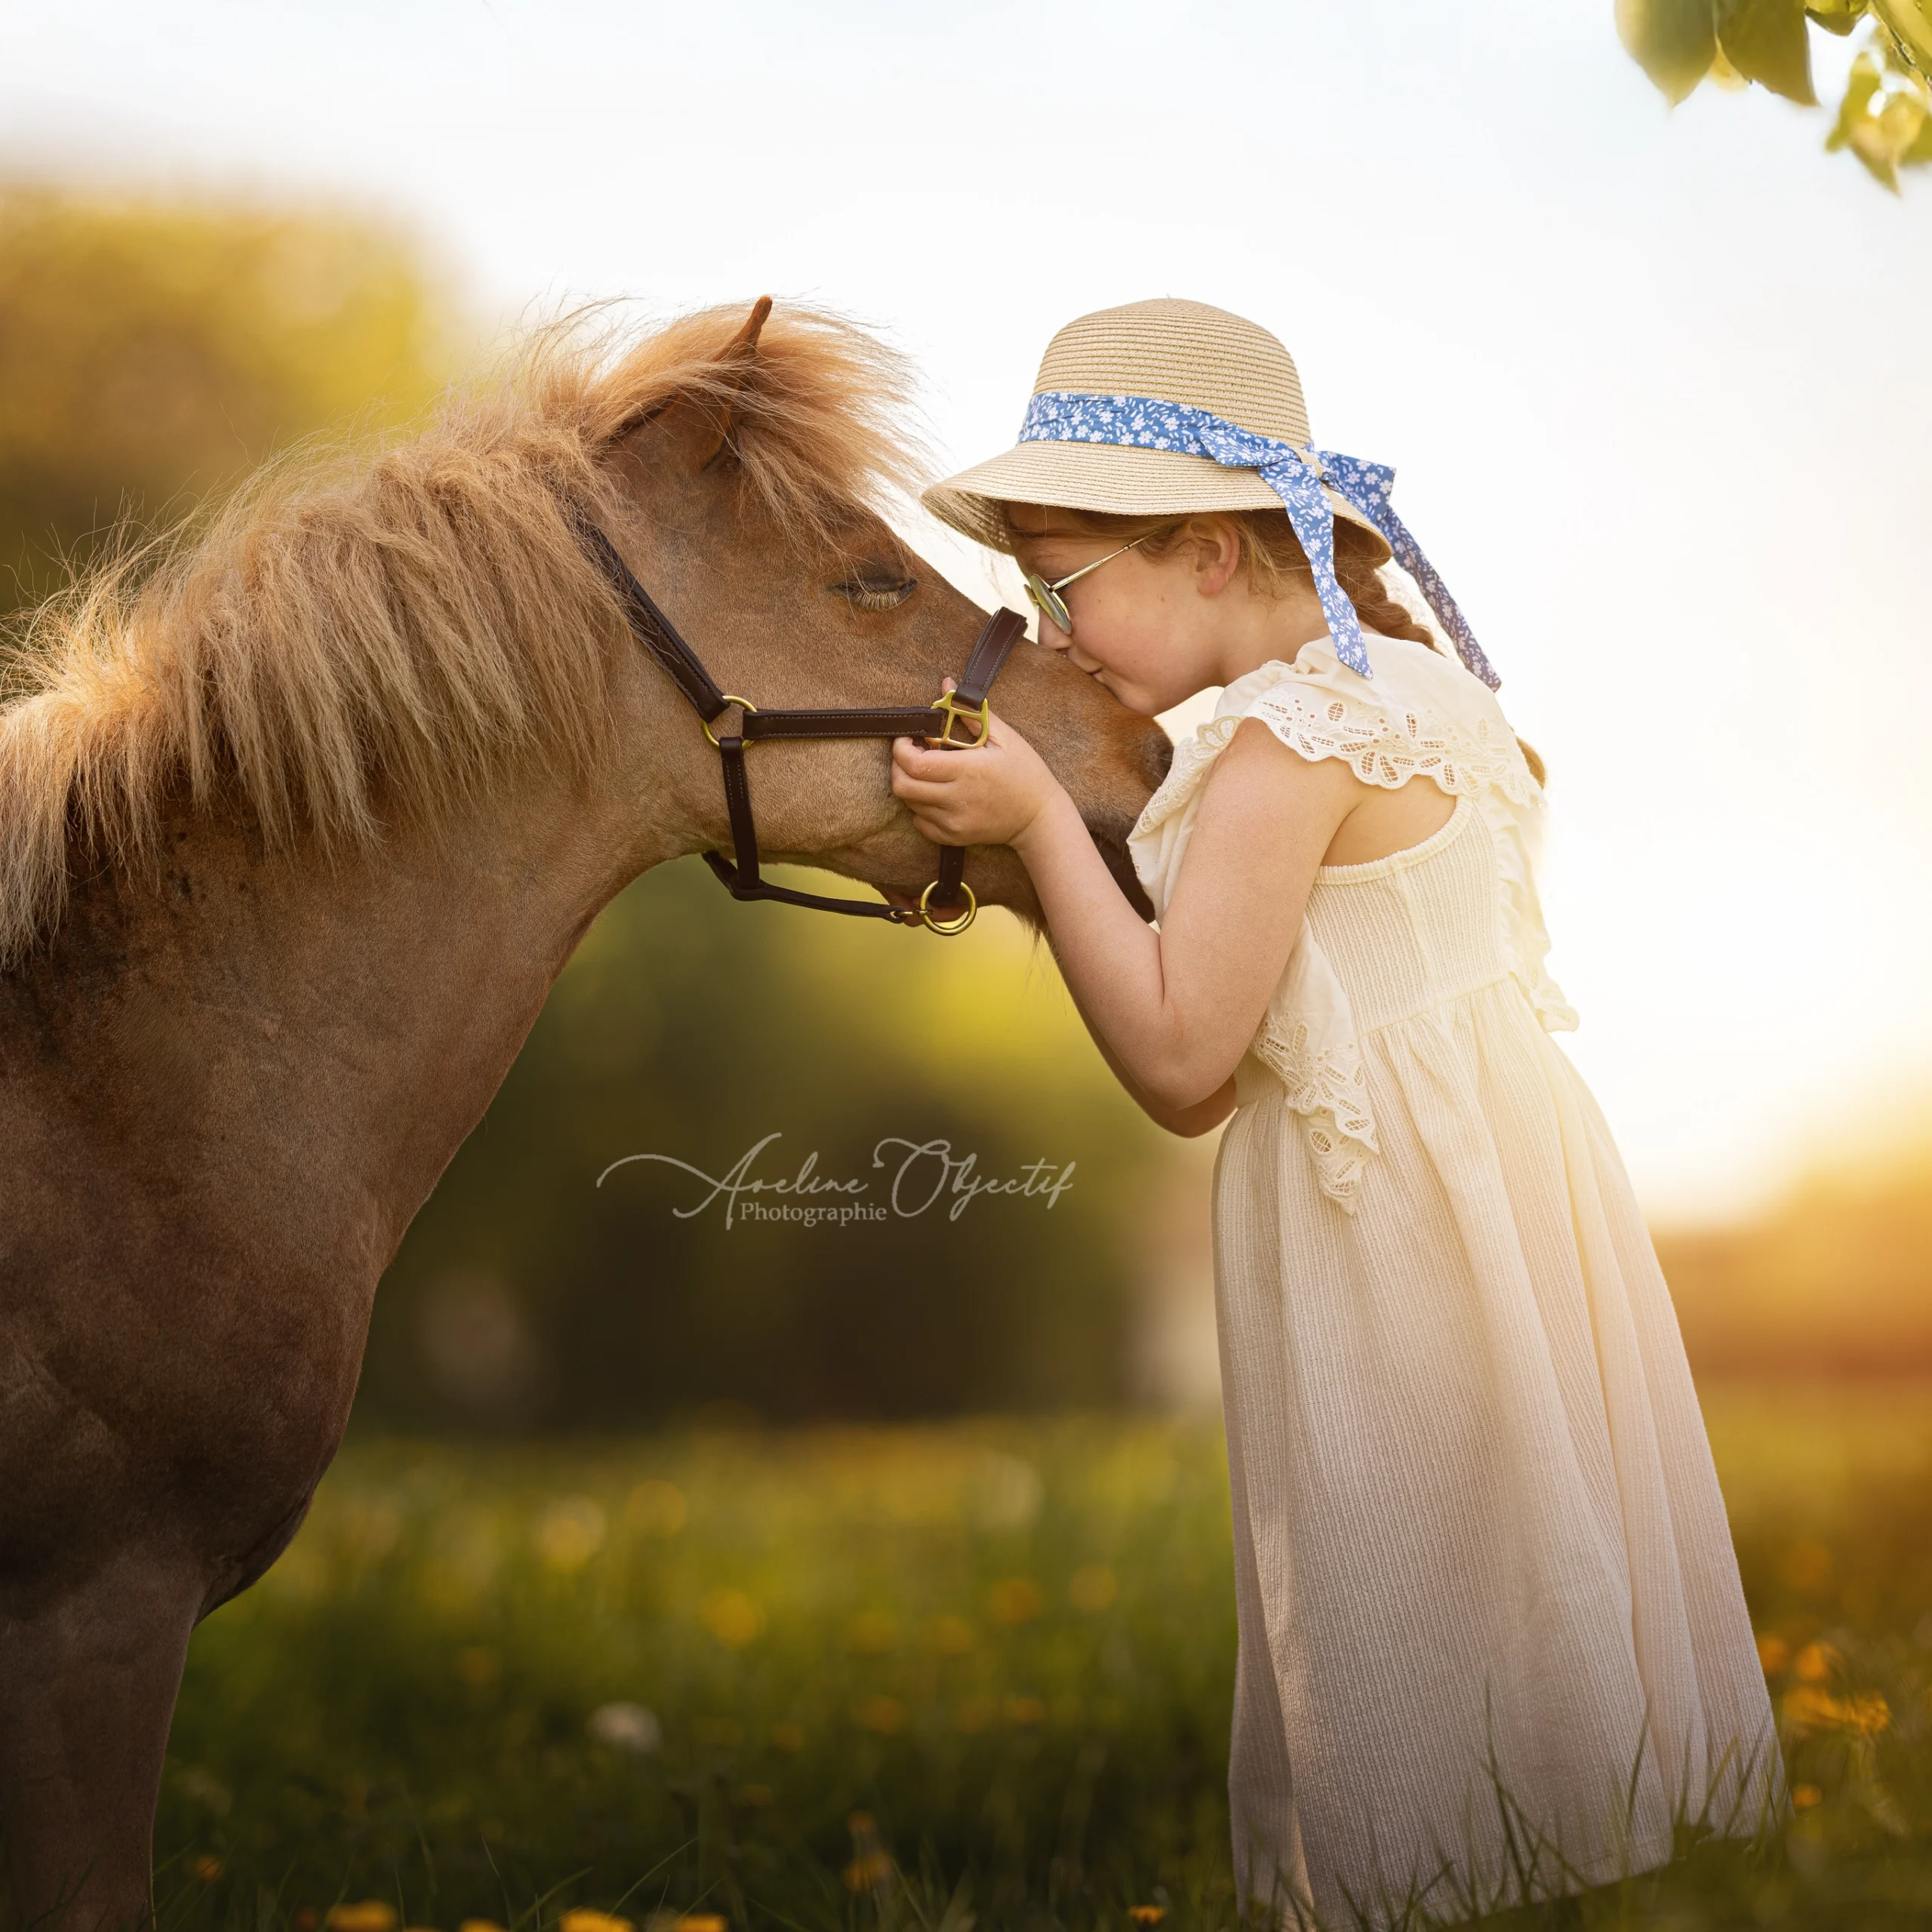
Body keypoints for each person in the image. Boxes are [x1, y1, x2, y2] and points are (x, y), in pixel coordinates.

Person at [896, 299, 1781, 1927]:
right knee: (1528, 1536)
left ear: (1215, 553)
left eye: (1066, 581)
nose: (1053, 628)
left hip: (1386, 1232)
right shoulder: (1426, 693)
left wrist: (1033, 819)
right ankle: (1587, 1848)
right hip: (1514, 1199)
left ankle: (1418, 1880)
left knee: (1396, 1577)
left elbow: (1182, 1059)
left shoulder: (1279, 751)